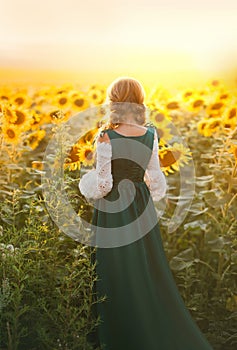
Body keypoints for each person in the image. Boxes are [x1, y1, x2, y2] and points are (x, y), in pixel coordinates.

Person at [79, 77, 213, 349]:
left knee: (114, 270)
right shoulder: (150, 134)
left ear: (113, 101)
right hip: (141, 207)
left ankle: (120, 334)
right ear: (139, 101)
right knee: (143, 267)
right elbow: (158, 182)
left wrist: (85, 183)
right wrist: (138, 189)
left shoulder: (106, 136)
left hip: (114, 209)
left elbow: (103, 186)